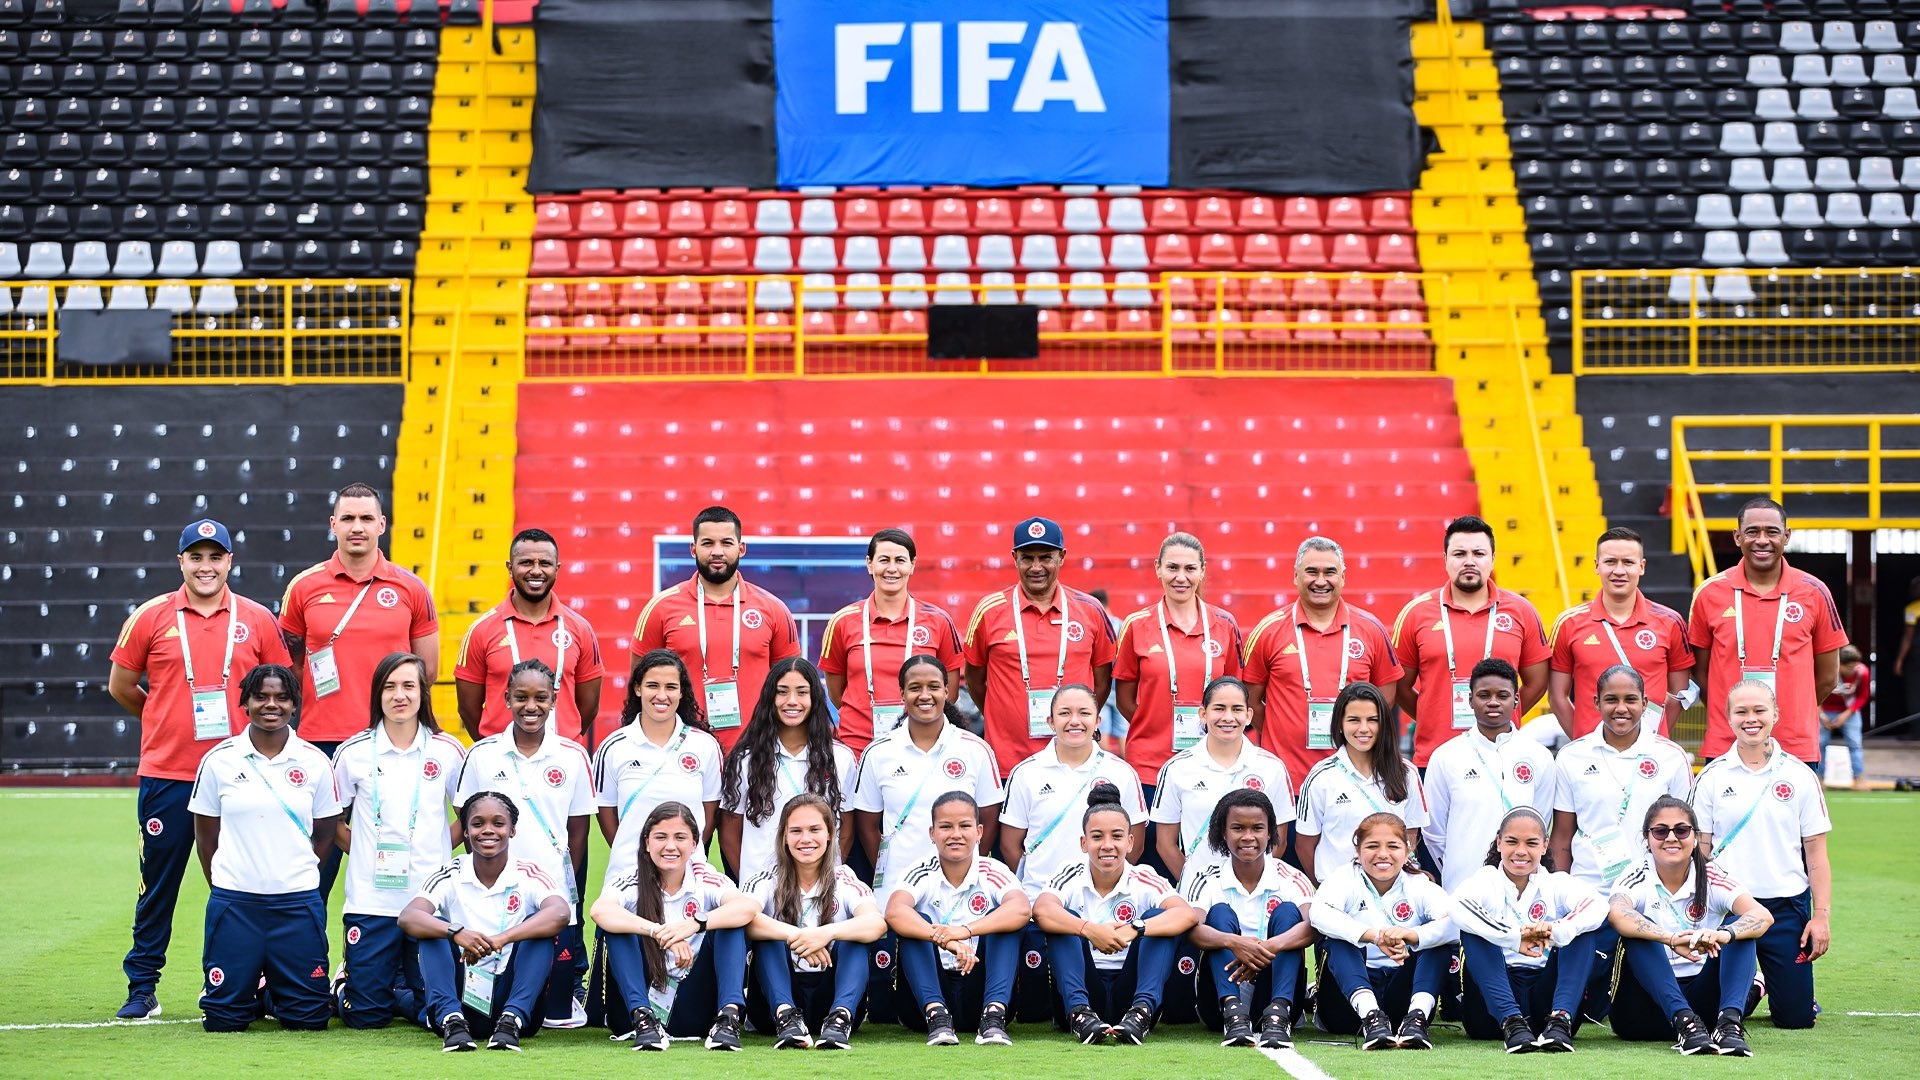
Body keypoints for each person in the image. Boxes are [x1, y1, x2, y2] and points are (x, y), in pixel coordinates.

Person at [106, 517, 292, 1019]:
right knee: (158, 885)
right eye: (196, 556)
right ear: (181, 561)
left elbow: (279, 687)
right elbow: (122, 685)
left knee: (243, 887)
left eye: (216, 557)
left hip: (240, 775)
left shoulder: (256, 618)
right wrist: (164, 715)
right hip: (168, 773)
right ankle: (142, 987)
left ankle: (253, 983)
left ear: (230, 561)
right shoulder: (150, 616)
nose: (206, 566)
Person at [280, 484, 438, 900]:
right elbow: (290, 666)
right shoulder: (304, 587)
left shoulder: (410, 588)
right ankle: (305, 965)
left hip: (389, 744)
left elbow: (429, 670)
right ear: (333, 525)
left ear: (382, 525)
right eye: (348, 518)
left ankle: (371, 962)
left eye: (366, 518)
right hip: (323, 744)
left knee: (394, 863)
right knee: (311, 872)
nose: (357, 527)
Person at [188, 663, 340, 1032]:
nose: (271, 704)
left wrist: (293, 875)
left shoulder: (315, 762)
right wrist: (229, 885)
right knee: (224, 1021)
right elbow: (206, 838)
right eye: (261, 696)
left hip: (296, 903)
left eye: (281, 697)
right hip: (237, 904)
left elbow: (325, 835)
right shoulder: (219, 761)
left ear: (294, 704)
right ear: (246, 702)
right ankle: (248, 984)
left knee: (309, 1021)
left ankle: (270, 986)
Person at [455, 659, 596, 1030]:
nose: (530, 706)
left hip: (550, 894)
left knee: (555, 1014)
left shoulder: (573, 756)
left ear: (554, 699)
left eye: (540, 698)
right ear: (506, 698)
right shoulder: (482, 754)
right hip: (494, 893)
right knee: (482, 1006)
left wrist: (560, 885)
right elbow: (468, 823)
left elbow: (578, 832)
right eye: (521, 697)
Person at [1548, 664, 1693, 1022]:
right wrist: (1562, 893)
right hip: (1590, 888)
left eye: (1631, 699)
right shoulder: (1572, 756)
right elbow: (1562, 836)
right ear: (1595, 702)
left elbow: (1685, 835)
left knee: (1640, 998)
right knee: (1589, 1006)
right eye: (1611, 699)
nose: (1621, 708)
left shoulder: (1670, 756)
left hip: (1649, 892)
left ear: (1646, 703)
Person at [330, 651, 467, 1028]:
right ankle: (346, 985)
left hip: (429, 903)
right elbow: (330, 822)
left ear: (423, 693)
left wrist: (441, 846)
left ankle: (398, 993)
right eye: (389, 687)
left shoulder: (448, 751)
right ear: (377, 695)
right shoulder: (352, 752)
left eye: (408, 686)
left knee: (436, 1012)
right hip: (371, 900)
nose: (399, 695)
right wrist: (362, 850)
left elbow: (469, 819)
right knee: (365, 1019)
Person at [998, 683, 1148, 1025]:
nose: (1074, 721)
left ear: (1098, 721)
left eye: (1084, 713)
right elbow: (1011, 844)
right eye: (1065, 713)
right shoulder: (1027, 773)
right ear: (1050, 720)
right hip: (1042, 907)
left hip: (1106, 906)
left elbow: (1135, 841)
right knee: (1035, 1012)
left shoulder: (1121, 772)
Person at [1691, 679, 1833, 1032]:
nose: (1750, 719)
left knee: (1796, 1019)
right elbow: (1701, 851)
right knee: (1705, 1014)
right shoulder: (1711, 776)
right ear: (1728, 717)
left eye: (1759, 710)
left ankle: (1758, 985)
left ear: (1775, 715)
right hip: (1728, 908)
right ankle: (1748, 988)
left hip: (1785, 908)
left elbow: (1816, 854)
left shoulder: (1800, 776)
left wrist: (1821, 917)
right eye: (1741, 711)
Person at [399, 792, 571, 1052]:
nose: (487, 831)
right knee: (432, 927)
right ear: (466, 832)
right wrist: (456, 933)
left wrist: (503, 938)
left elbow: (560, 913)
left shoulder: (529, 872)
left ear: (512, 830)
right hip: (462, 994)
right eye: (477, 824)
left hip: (512, 997)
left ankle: (511, 1020)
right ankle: (451, 1021)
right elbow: (409, 916)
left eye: (498, 823)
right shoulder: (450, 872)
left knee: (540, 930)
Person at [1687, 498, 1848, 769]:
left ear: (1786, 536)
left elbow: (1828, 677)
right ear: (1738, 537)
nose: (1762, 540)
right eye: (1752, 532)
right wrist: (1734, 713)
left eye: (1772, 532)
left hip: (1795, 745)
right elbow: (1700, 673)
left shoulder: (1815, 591)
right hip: (1727, 743)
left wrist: (1790, 712)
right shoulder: (1709, 593)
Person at [1608, 796, 1773, 1055]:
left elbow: (1762, 916)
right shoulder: (1635, 875)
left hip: (1701, 1009)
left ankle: (1729, 1025)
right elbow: (1617, 914)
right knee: (1637, 932)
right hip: (1641, 1015)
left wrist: (1722, 934)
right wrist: (1670, 939)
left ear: (1695, 837)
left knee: (1739, 929)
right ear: (1647, 839)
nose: (1671, 838)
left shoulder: (1712, 874)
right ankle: (1688, 1022)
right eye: (1661, 831)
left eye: (1681, 830)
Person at [591, 801, 761, 1051]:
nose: (670, 846)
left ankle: (727, 1018)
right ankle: (643, 1018)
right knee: (617, 927)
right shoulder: (630, 879)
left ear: (694, 845)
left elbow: (747, 908)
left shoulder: (705, 876)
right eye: (661, 837)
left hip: (694, 1005)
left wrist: (695, 925)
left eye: (680, 837)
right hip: (637, 1008)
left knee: (730, 923)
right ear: (647, 843)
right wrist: (658, 931)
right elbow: (600, 910)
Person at [1033, 784, 1194, 1046]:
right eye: (1097, 837)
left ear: (1130, 842)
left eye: (1116, 836)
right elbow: (1041, 910)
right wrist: (1089, 929)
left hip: (1130, 993)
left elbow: (1185, 915)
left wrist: (1136, 928)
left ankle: (1141, 1014)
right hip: (1085, 988)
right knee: (1063, 919)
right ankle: (1080, 1015)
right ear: (1084, 843)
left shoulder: (1144, 876)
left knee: (1157, 919)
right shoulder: (1069, 873)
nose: (1107, 845)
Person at [630, 505, 801, 754]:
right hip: (679, 749)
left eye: (727, 543)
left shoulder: (774, 609)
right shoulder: (660, 608)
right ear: (693, 549)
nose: (717, 552)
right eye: (708, 543)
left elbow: (791, 685)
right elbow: (639, 683)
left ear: (741, 548)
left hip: (756, 750)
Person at [1242, 536, 1402, 795]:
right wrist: (1279, 728)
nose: (1320, 581)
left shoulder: (1371, 628)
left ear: (1343, 577)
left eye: (1330, 572)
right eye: (1311, 572)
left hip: (1354, 779)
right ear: (1295, 576)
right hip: (1286, 780)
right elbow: (1250, 701)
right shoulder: (1268, 630)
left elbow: (1386, 696)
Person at [1390, 515, 1551, 769]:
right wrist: (1430, 715)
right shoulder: (1415, 613)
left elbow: (1538, 682)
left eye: (1478, 553)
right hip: (1435, 758)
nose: (1469, 562)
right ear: (1445, 560)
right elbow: (1398, 685)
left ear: (1493, 559)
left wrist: (1506, 713)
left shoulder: (1522, 611)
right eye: (1459, 554)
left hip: (1502, 755)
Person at [964, 515, 1117, 778]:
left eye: (1045, 557)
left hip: (1074, 759)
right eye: (1027, 558)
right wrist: (1003, 717)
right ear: (1015, 558)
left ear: (1062, 557)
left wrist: (1077, 719)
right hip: (1007, 761)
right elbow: (975, 681)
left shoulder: (1090, 610)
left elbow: (1102, 683)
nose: (1036, 567)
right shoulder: (989, 611)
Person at [1451, 807, 1607, 1053]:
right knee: (1473, 929)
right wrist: (1514, 937)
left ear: (1545, 845)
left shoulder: (1556, 883)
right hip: (1491, 1010)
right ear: (1499, 842)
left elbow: (1599, 905)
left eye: (1531, 843)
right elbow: (1458, 906)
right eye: (1512, 841)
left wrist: (1557, 930)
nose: (1521, 851)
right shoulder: (1486, 880)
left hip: (1545, 1003)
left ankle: (1561, 1021)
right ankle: (1512, 1021)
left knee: (1582, 930)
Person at [885, 791, 1033, 1046]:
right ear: (932, 834)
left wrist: (965, 931)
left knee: (1004, 921)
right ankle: (937, 1016)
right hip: (926, 998)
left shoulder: (993, 869)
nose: (955, 834)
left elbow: (1021, 909)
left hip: (979, 990)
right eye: (946, 827)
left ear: (979, 832)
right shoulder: (919, 871)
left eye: (964, 826)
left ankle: (994, 1015)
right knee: (913, 922)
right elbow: (895, 911)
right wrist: (947, 941)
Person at [742, 793, 887, 1050]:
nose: (805, 839)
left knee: (853, 939)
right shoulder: (765, 878)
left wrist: (826, 934)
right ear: (784, 837)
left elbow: (876, 923)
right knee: (768, 938)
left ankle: (840, 1018)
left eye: (814, 829)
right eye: (796, 831)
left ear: (830, 834)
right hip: (771, 1005)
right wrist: (797, 936)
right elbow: (745, 919)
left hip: (828, 994)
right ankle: (786, 1018)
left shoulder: (844, 877)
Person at [1308, 812, 1459, 1050]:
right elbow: (1318, 913)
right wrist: (1374, 936)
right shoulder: (1344, 878)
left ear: (1408, 850)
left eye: (1393, 846)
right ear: (1358, 850)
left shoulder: (1418, 884)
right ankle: (1371, 1017)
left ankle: (1416, 1019)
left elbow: (1456, 923)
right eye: (1372, 846)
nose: (1383, 854)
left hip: (1401, 1000)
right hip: (1348, 1009)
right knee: (1339, 941)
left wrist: (1413, 935)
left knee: (1436, 944)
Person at [1182, 789, 1316, 1050]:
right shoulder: (1206, 877)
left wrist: (1269, 947)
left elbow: (1314, 927)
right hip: (1222, 990)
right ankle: (1233, 1014)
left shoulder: (1291, 877)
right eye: (1237, 828)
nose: (1248, 836)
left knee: (1288, 913)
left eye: (1257, 828)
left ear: (1270, 833)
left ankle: (1279, 1015)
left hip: (1274, 978)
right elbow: (1191, 929)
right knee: (1219, 914)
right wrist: (1235, 943)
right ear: (1223, 832)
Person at [1113, 533, 1244, 799]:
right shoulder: (1136, 625)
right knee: (1151, 841)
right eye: (1172, 567)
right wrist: (1156, 729)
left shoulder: (1225, 624)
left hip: (1213, 762)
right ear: (1158, 568)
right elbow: (1124, 700)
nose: (1180, 577)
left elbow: (1235, 692)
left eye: (1190, 568)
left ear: (1202, 571)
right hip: (1151, 765)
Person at [453, 528, 605, 746]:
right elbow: (468, 708)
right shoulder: (481, 630)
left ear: (557, 569)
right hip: (500, 763)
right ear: (510, 568)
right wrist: (497, 748)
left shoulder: (580, 629)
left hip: (561, 762)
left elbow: (589, 707)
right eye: (526, 563)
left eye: (544, 563)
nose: (536, 571)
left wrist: (562, 742)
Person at [818, 529, 963, 756]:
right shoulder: (842, 621)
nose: (892, 568)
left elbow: (949, 693)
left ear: (912, 566)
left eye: (900, 561)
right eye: (884, 560)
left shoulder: (938, 621)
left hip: (919, 746)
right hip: (856, 748)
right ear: (869, 564)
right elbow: (837, 693)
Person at [1423, 658, 1559, 891]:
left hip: (1522, 886)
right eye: (1484, 695)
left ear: (1516, 699)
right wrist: (1458, 865)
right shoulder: (1446, 756)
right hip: (1462, 885)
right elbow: (1434, 832)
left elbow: (1541, 821)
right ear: (1470, 700)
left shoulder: (1539, 756)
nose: (1493, 702)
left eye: (1502, 695)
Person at [1548, 527, 1694, 741]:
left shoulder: (1671, 622)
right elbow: (1557, 697)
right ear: (1597, 566)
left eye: (1628, 562)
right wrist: (1583, 740)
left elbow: (1679, 693)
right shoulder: (1569, 623)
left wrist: (1655, 737)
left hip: (1650, 753)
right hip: (1591, 754)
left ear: (1641, 567)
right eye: (1610, 562)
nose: (1619, 570)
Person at [593, 650, 722, 888]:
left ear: (682, 692)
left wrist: (678, 855)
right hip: (628, 877)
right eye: (653, 685)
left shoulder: (705, 746)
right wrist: (639, 853)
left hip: (689, 878)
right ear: (638, 688)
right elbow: (606, 814)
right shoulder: (612, 747)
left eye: (671, 687)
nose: (662, 695)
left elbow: (709, 812)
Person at [1149, 675, 1292, 888]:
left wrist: (1252, 884)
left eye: (1236, 709)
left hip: (1256, 892)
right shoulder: (1177, 768)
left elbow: (1278, 842)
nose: (1228, 717)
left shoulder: (1272, 767)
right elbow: (1165, 843)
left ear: (1249, 715)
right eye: (1219, 708)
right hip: (1200, 897)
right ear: (1203, 714)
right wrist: (1195, 884)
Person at [718, 658, 857, 876]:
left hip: (821, 890)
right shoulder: (745, 759)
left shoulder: (840, 757)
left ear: (814, 698)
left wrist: (826, 872)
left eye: (802, 692)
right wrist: (753, 881)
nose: (792, 701)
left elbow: (847, 829)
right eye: (782, 692)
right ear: (769, 698)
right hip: (760, 892)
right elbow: (729, 832)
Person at [1293, 682, 1428, 885]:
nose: (1364, 729)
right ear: (1339, 723)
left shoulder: (1407, 773)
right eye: (1354, 720)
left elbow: (1410, 834)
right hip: (1339, 896)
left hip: (1393, 892)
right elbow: (1304, 845)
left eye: (1372, 720)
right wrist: (1327, 889)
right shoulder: (1321, 777)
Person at [1819, 645, 1870, 789]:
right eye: (1848, 667)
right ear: (1838, 664)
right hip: (1825, 710)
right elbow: (1813, 692)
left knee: (1855, 744)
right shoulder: (1826, 672)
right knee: (1820, 743)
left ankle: (1859, 778)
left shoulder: (1862, 673)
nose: (1852, 670)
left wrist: (1846, 714)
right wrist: (1821, 715)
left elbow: (1863, 696)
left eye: (1855, 666)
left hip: (1849, 711)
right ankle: (1819, 778)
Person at [1896, 575, 1920, 722]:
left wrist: (1899, 660)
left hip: (1916, 656)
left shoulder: (1912, 609)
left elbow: (1908, 637)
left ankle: (1916, 731)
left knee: (1914, 692)